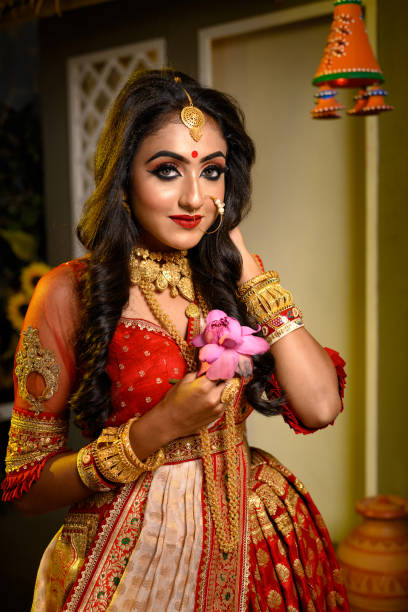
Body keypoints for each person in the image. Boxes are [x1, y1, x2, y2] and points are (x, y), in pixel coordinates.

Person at [2, 69, 349, 611]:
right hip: (133, 564)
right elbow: (27, 488)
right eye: (167, 171)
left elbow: (321, 405)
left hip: (257, 543)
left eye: (212, 172)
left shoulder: (232, 281)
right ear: (122, 181)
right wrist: (156, 430)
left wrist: (249, 271)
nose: (194, 196)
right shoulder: (70, 291)